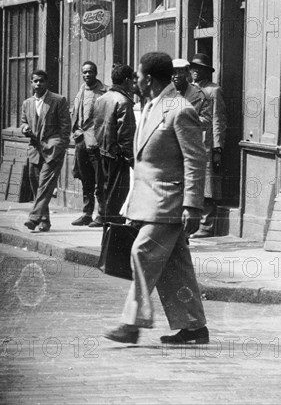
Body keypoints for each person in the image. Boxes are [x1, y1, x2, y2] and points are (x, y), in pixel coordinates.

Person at [104, 52, 208, 345]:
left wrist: (192, 205)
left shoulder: (179, 109)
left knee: (142, 252)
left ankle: (131, 324)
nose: (134, 81)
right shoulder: (150, 105)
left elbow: (195, 160)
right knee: (175, 266)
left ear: (148, 79)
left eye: (137, 76)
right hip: (149, 201)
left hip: (169, 201)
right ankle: (193, 326)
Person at [20, 70, 70, 232]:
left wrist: (60, 146)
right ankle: (44, 221)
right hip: (35, 150)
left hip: (52, 149)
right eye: (35, 81)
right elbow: (23, 122)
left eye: (41, 81)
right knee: (37, 186)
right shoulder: (27, 103)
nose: (38, 84)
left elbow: (65, 127)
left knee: (45, 184)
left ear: (46, 82)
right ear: (31, 83)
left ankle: (34, 218)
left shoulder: (58, 100)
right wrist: (25, 128)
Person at [93, 63, 136, 228]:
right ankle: (114, 234)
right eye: (132, 80)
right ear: (126, 80)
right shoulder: (123, 101)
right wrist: (131, 158)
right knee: (117, 195)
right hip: (118, 156)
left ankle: (108, 227)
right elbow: (126, 135)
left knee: (106, 192)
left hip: (103, 152)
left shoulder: (101, 99)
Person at [189, 53, 227, 238]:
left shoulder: (213, 90)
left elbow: (218, 119)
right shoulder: (187, 90)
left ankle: (207, 225)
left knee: (207, 184)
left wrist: (218, 146)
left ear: (206, 71)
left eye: (199, 69)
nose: (195, 72)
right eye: (193, 68)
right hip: (190, 142)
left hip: (206, 142)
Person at [71, 61, 108, 227]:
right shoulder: (80, 90)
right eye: (84, 72)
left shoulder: (104, 92)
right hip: (81, 142)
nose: (87, 75)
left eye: (90, 72)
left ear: (96, 73)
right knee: (86, 180)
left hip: (97, 143)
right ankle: (87, 213)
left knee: (100, 180)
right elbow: (76, 114)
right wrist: (75, 132)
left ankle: (102, 214)